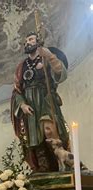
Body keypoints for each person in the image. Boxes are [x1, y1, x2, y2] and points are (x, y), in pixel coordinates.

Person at [11, 31, 70, 172]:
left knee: (50, 130)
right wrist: (22, 104)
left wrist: (50, 57)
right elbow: (17, 90)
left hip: (46, 100)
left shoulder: (47, 58)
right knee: (34, 136)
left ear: (38, 42)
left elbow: (60, 75)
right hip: (30, 105)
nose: (27, 43)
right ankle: (42, 168)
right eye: (26, 41)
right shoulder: (21, 66)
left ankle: (63, 163)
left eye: (31, 39)